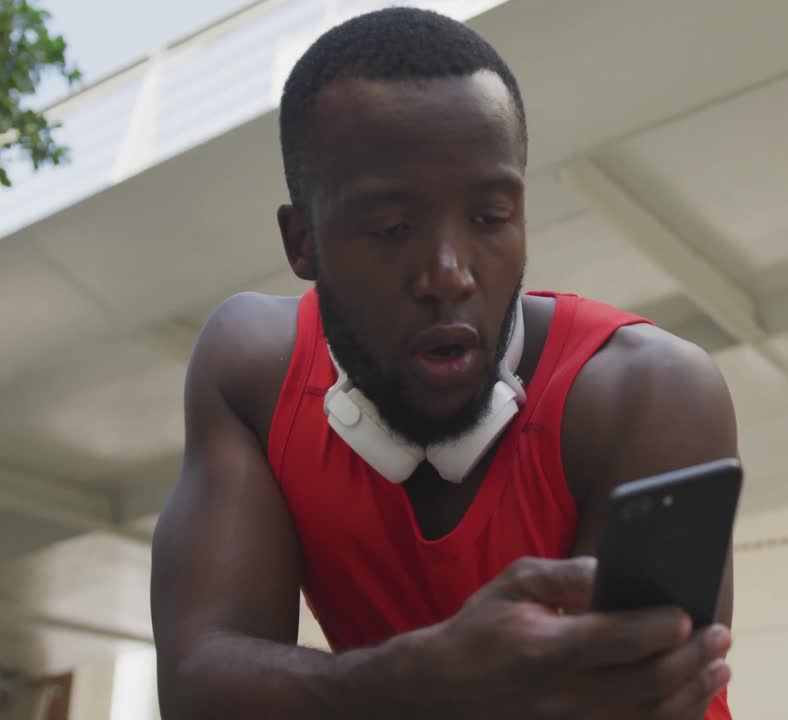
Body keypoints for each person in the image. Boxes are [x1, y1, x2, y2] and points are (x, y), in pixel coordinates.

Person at [149, 7, 739, 719]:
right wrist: (424, 678)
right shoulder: (250, 371)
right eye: (392, 228)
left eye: (491, 218)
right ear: (302, 241)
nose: (449, 273)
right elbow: (199, 686)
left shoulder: (651, 391)